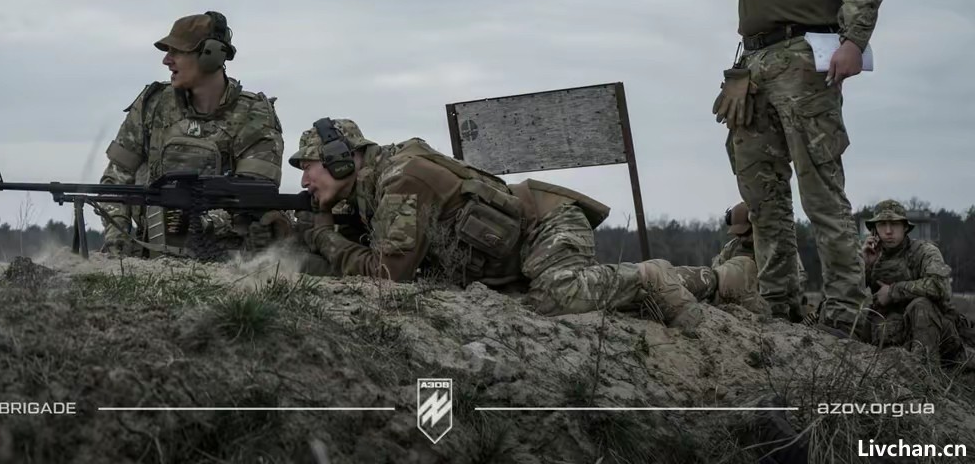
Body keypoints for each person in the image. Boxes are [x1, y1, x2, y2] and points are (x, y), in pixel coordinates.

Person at [675, 0, 882, 335]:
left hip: (803, 58)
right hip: (753, 64)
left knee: (820, 191)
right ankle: (779, 303)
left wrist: (854, 41)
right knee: (761, 195)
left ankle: (843, 311)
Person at [287, 118, 704, 330]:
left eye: (310, 168)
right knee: (542, 296)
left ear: (344, 158)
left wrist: (324, 235)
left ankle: (650, 277)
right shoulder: (369, 194)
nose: (305, 180)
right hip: (510, 261)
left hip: (545, 225)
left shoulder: (402, 178)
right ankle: (715, 279)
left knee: (557, 296)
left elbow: (388, 274)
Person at [98, 11, 288, 259]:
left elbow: (254, 199)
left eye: (177, 52)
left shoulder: (255, 115)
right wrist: (118, 245)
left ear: (211, 55)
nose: (167, 60)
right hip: (151, 256)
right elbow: (115, 181)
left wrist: (201, 222)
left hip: (227, 262)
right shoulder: (152, 104)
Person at [862, 199, 969, 367]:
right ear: (874, 230)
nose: (888, 231)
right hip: (892, 335)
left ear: (905, 228)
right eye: (882, 224)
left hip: (937, 335)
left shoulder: (924, 251)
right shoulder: (871, 255)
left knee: (921, 305)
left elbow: (940, 286)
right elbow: (851, 296)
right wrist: (866, 265)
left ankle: (926, 376)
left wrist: (893, 292)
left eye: (894, 224)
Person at [670, 202, 807, 314]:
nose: (742, 239)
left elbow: (798, 278)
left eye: (746, 233)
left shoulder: (777, 247)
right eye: (738, 235)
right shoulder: (731, 248)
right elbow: (717, 275)